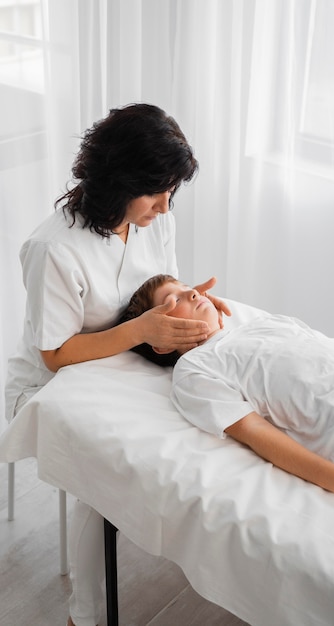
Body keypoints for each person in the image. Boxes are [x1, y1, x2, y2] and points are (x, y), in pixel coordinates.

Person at [5, 105, 230, 626]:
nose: (166, 207)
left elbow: (158, 291)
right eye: (157, 192)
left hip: (127, 362)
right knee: (103, 474)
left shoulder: (151, 222)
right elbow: (55, 354)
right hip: (54, 384)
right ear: (120, 180)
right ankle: (85, 616)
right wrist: (144, 331)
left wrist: (188, 303)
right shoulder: (53, 249)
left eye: (172, 191)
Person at [120, 273, 334, 518]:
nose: (194, 295)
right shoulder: (194, 369)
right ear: (159, 341)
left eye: (189, 290)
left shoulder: (262, 323)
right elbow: (255, 431)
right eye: (174, 300)